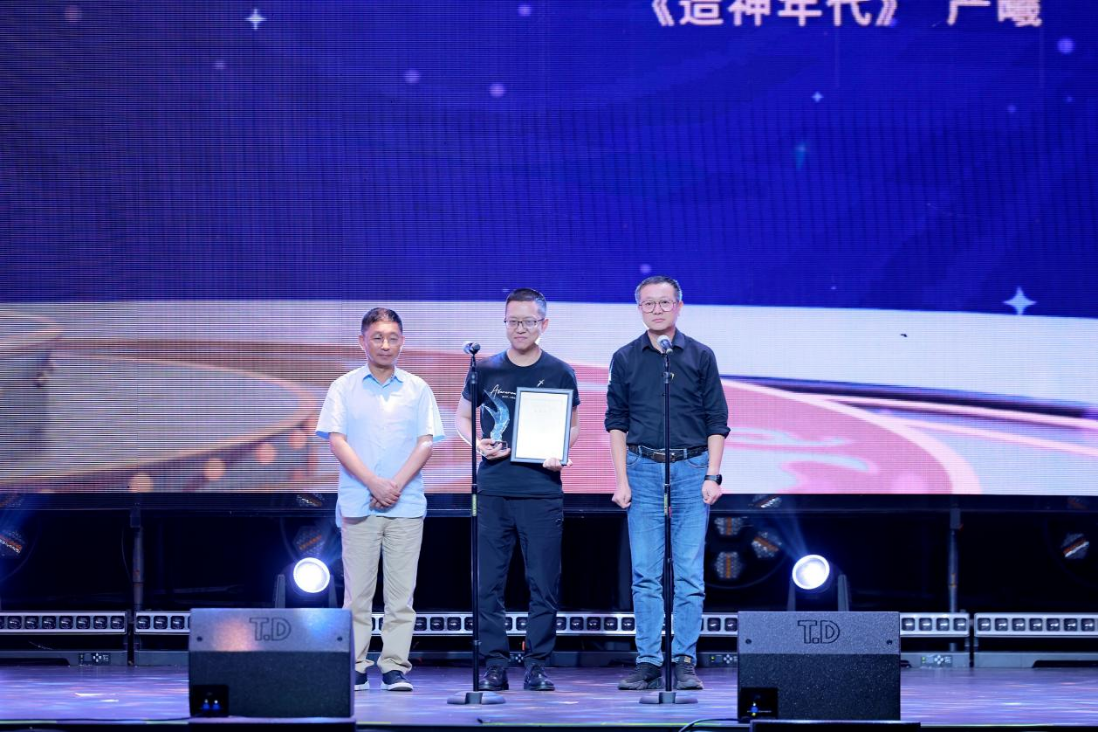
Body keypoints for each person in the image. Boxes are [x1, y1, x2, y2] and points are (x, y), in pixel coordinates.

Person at [604, 275, 729, 691]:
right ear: (639, 308)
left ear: (679, 305)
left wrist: (712, 474)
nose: (656, 310)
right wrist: (621, 479)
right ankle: (647, 661)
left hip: (692, 469)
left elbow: (717, 420)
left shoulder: (700, 355)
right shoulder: (625, 358)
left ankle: (684, 659)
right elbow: (616, 421)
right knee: (645, 572)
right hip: (642, 468)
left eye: (664, 302)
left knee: (689, 572)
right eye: (648, 304)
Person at [455, 288, 580, 692]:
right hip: (493, 489)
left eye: (529, 321)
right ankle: (495, 663)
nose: (520, 328)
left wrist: (559, 451)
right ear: (505, 323)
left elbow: (572, 425)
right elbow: (461, 417)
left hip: (541, 490)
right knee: (488, 583)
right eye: (513, 321)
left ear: (544, 324)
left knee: (543, 583)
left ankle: (537, 664)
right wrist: (477, 444)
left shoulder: (560, 371)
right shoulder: (485, 368)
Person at [315, 307, 445, 693]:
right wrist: (374, 483)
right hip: (359, 503)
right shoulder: (343, 387)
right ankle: (354, 666)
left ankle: (394, 668)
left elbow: (426, 443)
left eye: (392, 338)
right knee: (357, 594)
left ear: (402, 342)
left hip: (406, 505)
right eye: (377, 337)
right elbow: (337, 441)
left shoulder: (418, 389)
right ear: (362, 341)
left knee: (401, 596)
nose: (385, 344)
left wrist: (394, 486)